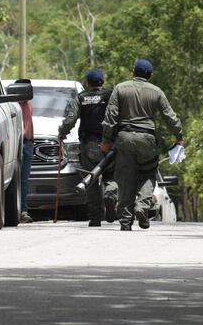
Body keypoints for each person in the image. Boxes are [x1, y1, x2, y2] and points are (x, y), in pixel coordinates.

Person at [101, 59, 183, 231]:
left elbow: (111, 117)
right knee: (148, 173)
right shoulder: (157, 91)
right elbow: (170, 116)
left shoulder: (120, 88)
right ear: (150, 75)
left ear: (133, 72)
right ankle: (142, 206)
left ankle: (125, 220)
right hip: (147, 139)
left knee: (125, 178)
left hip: (124, 137)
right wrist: (178, 136)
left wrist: (106, 140)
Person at [58, 69, 118, 226]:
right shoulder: (110, 95)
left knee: (91, 179)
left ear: (87, 83)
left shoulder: (81, 97)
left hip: (89, 145)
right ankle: (111, 196)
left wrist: (62, 133)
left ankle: (95, 217)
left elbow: (71, 119)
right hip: (109, 143)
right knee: (110, 175)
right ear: (102, 82)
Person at [16, 78, 34, 224]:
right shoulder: (12, 106)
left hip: (27, 144)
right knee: (14, 180)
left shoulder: (29, 106)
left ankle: (23, 210)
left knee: (24, 180)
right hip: (16, 144)